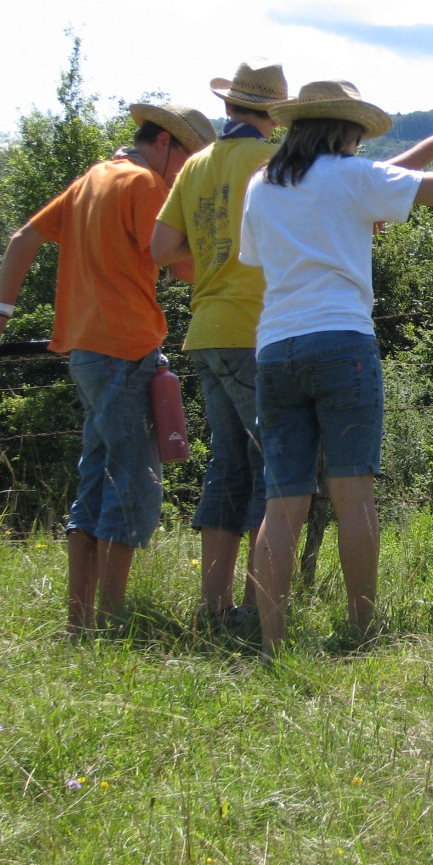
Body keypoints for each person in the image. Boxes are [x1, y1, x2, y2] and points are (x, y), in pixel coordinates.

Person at [238, 80, 433, 656]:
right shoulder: (352, 176)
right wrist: (429, 157)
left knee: (282, 501)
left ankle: (271, 638)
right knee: (354, 496)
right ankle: (360, 628)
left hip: (275, 346)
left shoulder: (261, 185)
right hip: (342, 341)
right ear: (345, 131)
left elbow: (257, 254)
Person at [0, 104, 215, 633]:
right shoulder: (145, 184)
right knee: (134, 483)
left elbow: (22, 240)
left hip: (83, 350)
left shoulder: (92, 180)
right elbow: (181, 263)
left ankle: (79, 617)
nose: (185, 174)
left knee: (97, 480)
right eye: (190, 161)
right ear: (169, 143)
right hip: (126, 349)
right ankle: (110, 619)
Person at [151, 59, 287, 623]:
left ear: (228, 107)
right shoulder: (275, 162)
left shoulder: (198, 164)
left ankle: (214, 607)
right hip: (257, 330)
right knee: (272, 468)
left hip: (205, 331)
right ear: (275, 115)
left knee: (227, 465)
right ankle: (260, 607)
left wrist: (213, 261)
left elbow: (161, 249)